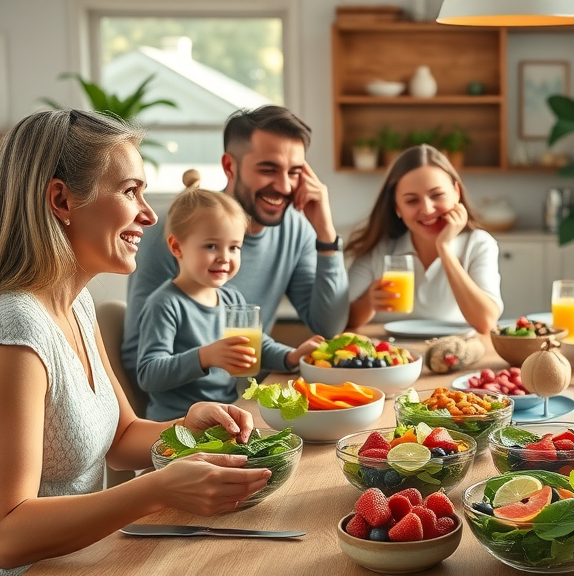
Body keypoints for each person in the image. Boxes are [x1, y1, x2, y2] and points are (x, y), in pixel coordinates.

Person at [0, 110, 271, 575]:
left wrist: (188, 425)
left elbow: (122, 437)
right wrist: (157, 489)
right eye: (130, 191)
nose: (148, 214)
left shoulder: (76, 304)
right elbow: (7, 534)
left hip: (93, 560)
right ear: (62, 200)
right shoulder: (17, 332)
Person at [122, 105, 347, 387]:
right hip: (183, 411)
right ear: (230, 166)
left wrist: (326, 234)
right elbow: (139, 362)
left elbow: (328, 327)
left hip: (246, 399)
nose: (285, 186)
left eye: (294, 172)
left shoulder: (297, 229)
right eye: (269, 169)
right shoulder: (177, 228)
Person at [136, 175, 324, 420]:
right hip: (177, 424)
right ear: (177, 247)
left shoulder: (231, 298)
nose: (225, 257)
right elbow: (148, 374)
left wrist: (291, 356)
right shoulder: (165, 304)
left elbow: (259, 345)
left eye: (234, 247)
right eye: (211, 246)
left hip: (226, 416)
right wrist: (205, 356)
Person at [345, 145, 502, 334]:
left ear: (456, 193)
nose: (427, 209)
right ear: (397, 207)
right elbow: (340, 319)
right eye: (412, 201)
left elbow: (486, 321)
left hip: (452, 355)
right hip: (390, 357)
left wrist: (444, 249)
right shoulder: (377, 249)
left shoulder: (478, 244)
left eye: (437, 195)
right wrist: (369, 302)